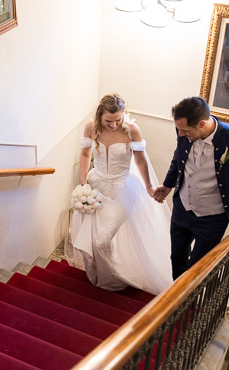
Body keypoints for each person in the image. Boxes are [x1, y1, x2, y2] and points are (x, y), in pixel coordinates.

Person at [151, 97, 229, 280]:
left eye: (184, 130)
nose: (179, 134)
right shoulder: (184, 129)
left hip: (212, 219)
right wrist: (168, 184)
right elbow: (178, 156)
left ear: (202, 124)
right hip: (182, 209)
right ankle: (177, 305)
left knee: (196, 270)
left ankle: (192, 306)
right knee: (176, 259)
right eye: (178, 129)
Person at [69, 94, 173, 295]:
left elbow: (141, 160)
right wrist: (83, 183)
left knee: (102, 240)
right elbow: (84, 154)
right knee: (91, 239)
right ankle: (98, 275)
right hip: (95, 188)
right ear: (100, 115)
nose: (114, 125)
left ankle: (114, 278)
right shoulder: (91, 127)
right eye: (109, 121)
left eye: (118, 120)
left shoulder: (132, 130)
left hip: (122, 191)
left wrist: (149, 187)